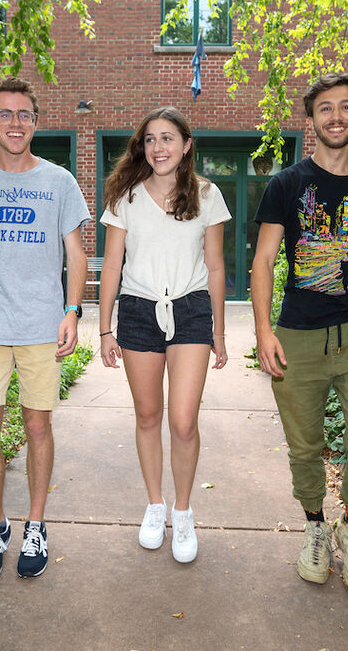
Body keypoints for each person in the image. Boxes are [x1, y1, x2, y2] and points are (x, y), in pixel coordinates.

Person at [250, 72, 348, 595]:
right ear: (311, 119)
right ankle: (316, 526)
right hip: (298, 330)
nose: (336, 116)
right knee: (305, 445)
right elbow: (264, 260)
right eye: (326, 108)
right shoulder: (286, 184)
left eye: (346, 107)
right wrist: (262, 330)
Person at [0, 76, 90, 585]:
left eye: (24, 114)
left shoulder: (58, 181)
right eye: (4, 114)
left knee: (37, 428)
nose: (15, 123)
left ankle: (37, 526)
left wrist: (72, 310)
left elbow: (75, 253)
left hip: (40, 324)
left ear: (36, 121)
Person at [97, 106, 230, 563]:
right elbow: (112, 265)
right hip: (137, 312)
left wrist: (220, 332)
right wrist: (104, 328)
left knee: (183, 421)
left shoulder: (208, 195)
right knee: (149, 416)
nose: (159, 147)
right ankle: (155, 505)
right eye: (150, 139)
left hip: (190, 310)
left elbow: (215, 266)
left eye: (168, 138)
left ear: (186, 145)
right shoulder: (124, 198)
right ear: (142, 147)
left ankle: (184, 510)